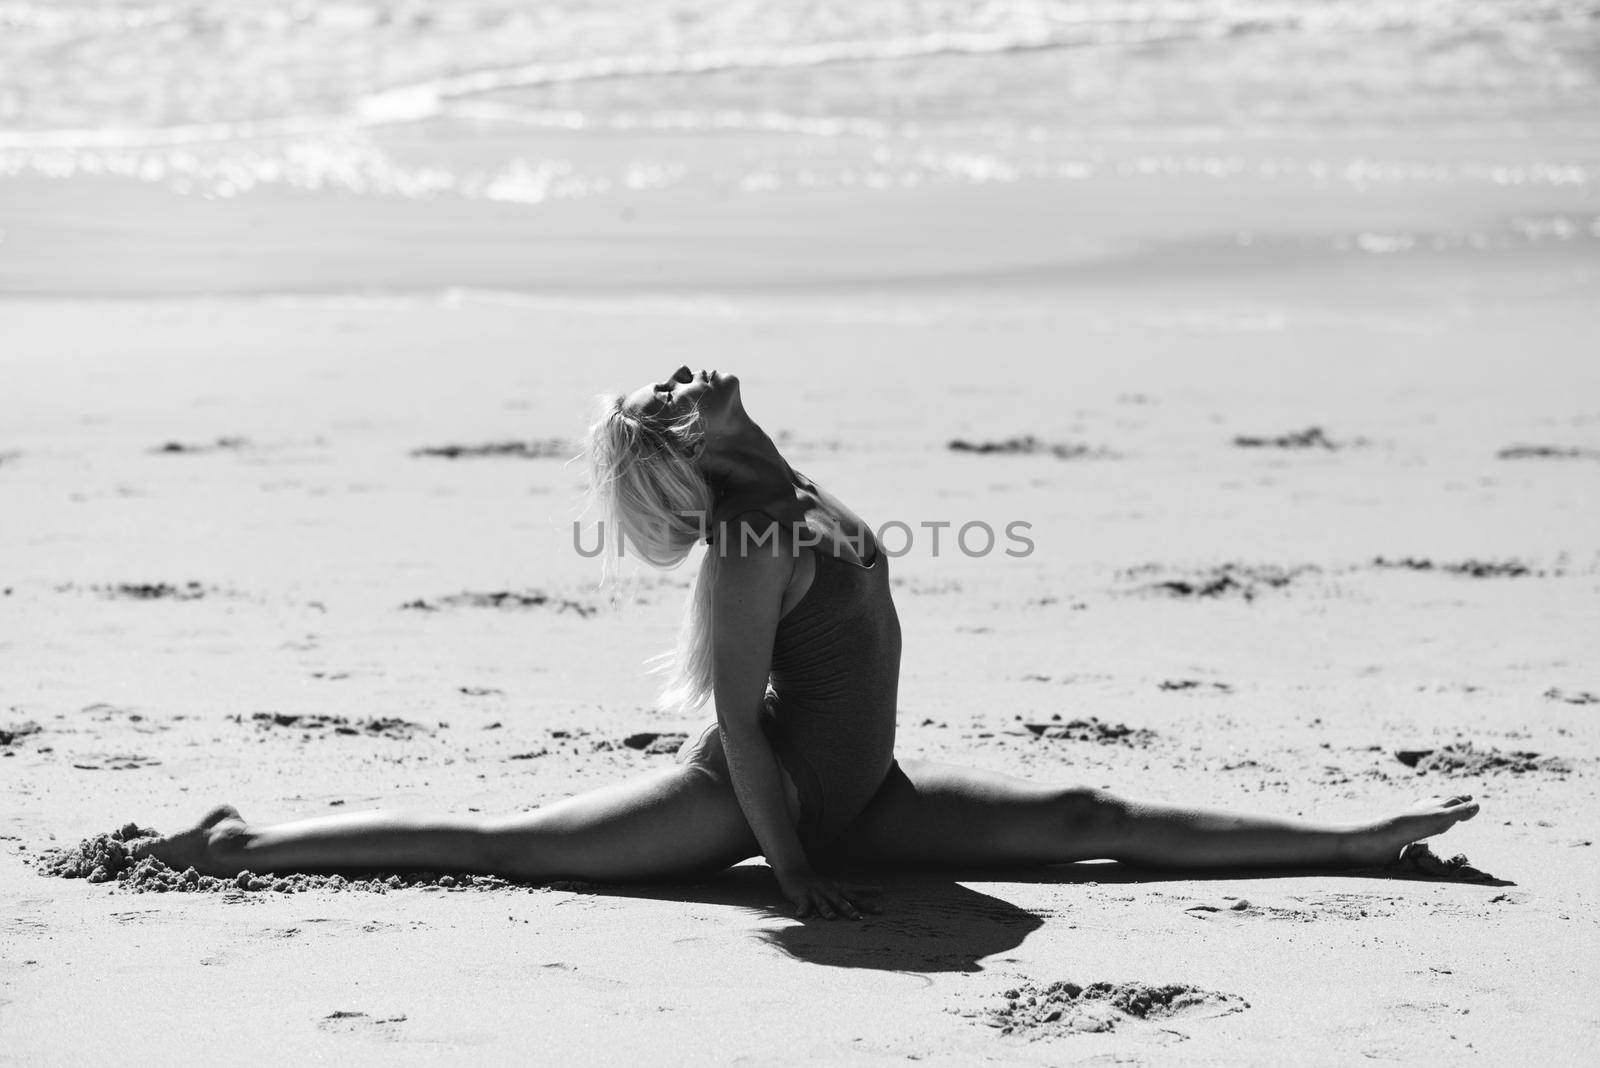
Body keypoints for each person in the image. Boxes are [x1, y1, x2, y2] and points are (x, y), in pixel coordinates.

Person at [147, 365, 1479, 919]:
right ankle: (236, 843)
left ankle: (1357, 839)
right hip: (751, 798)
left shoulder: (793, 489)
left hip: (865, 796)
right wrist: (791, 873)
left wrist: (832, 835)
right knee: (504, 848)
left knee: (1096, 807)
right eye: (664, 392)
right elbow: (735, 722)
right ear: (684, 439)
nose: (686, 371)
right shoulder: (745, 541)